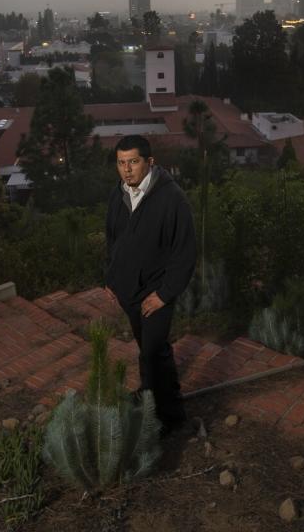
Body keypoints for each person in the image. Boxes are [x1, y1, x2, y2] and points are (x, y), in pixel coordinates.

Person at [105, 134, 196, 437]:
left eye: (133, 162)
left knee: (151, 352)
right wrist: (112, 278)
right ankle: (171, 409)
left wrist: (164, 295)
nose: (126, 169)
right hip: (128, 290)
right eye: (121, 163)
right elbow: (113, 240)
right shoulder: (119, 195)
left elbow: (184, 253)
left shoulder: (172, 200)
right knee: (152, 350)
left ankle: (155, 418)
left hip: (156, 292)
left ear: (149, 162)